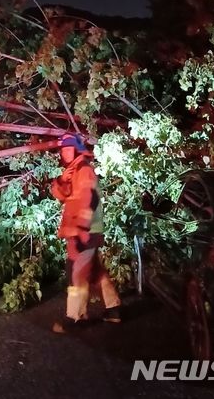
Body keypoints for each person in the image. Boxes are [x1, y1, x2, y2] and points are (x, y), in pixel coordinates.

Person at [51, 133, 121, 332]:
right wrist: (61, 179)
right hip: (84, 230)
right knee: (96, 271)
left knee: (77, 274)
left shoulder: (84, 171)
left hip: (85, 231)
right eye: (62, 150)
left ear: (75, 149)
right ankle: (113, 308)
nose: (64, 153)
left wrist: (81, 229)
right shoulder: (73, 171)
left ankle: (75, 317)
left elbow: (88, 201)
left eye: (67, 149)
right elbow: (60, 195)